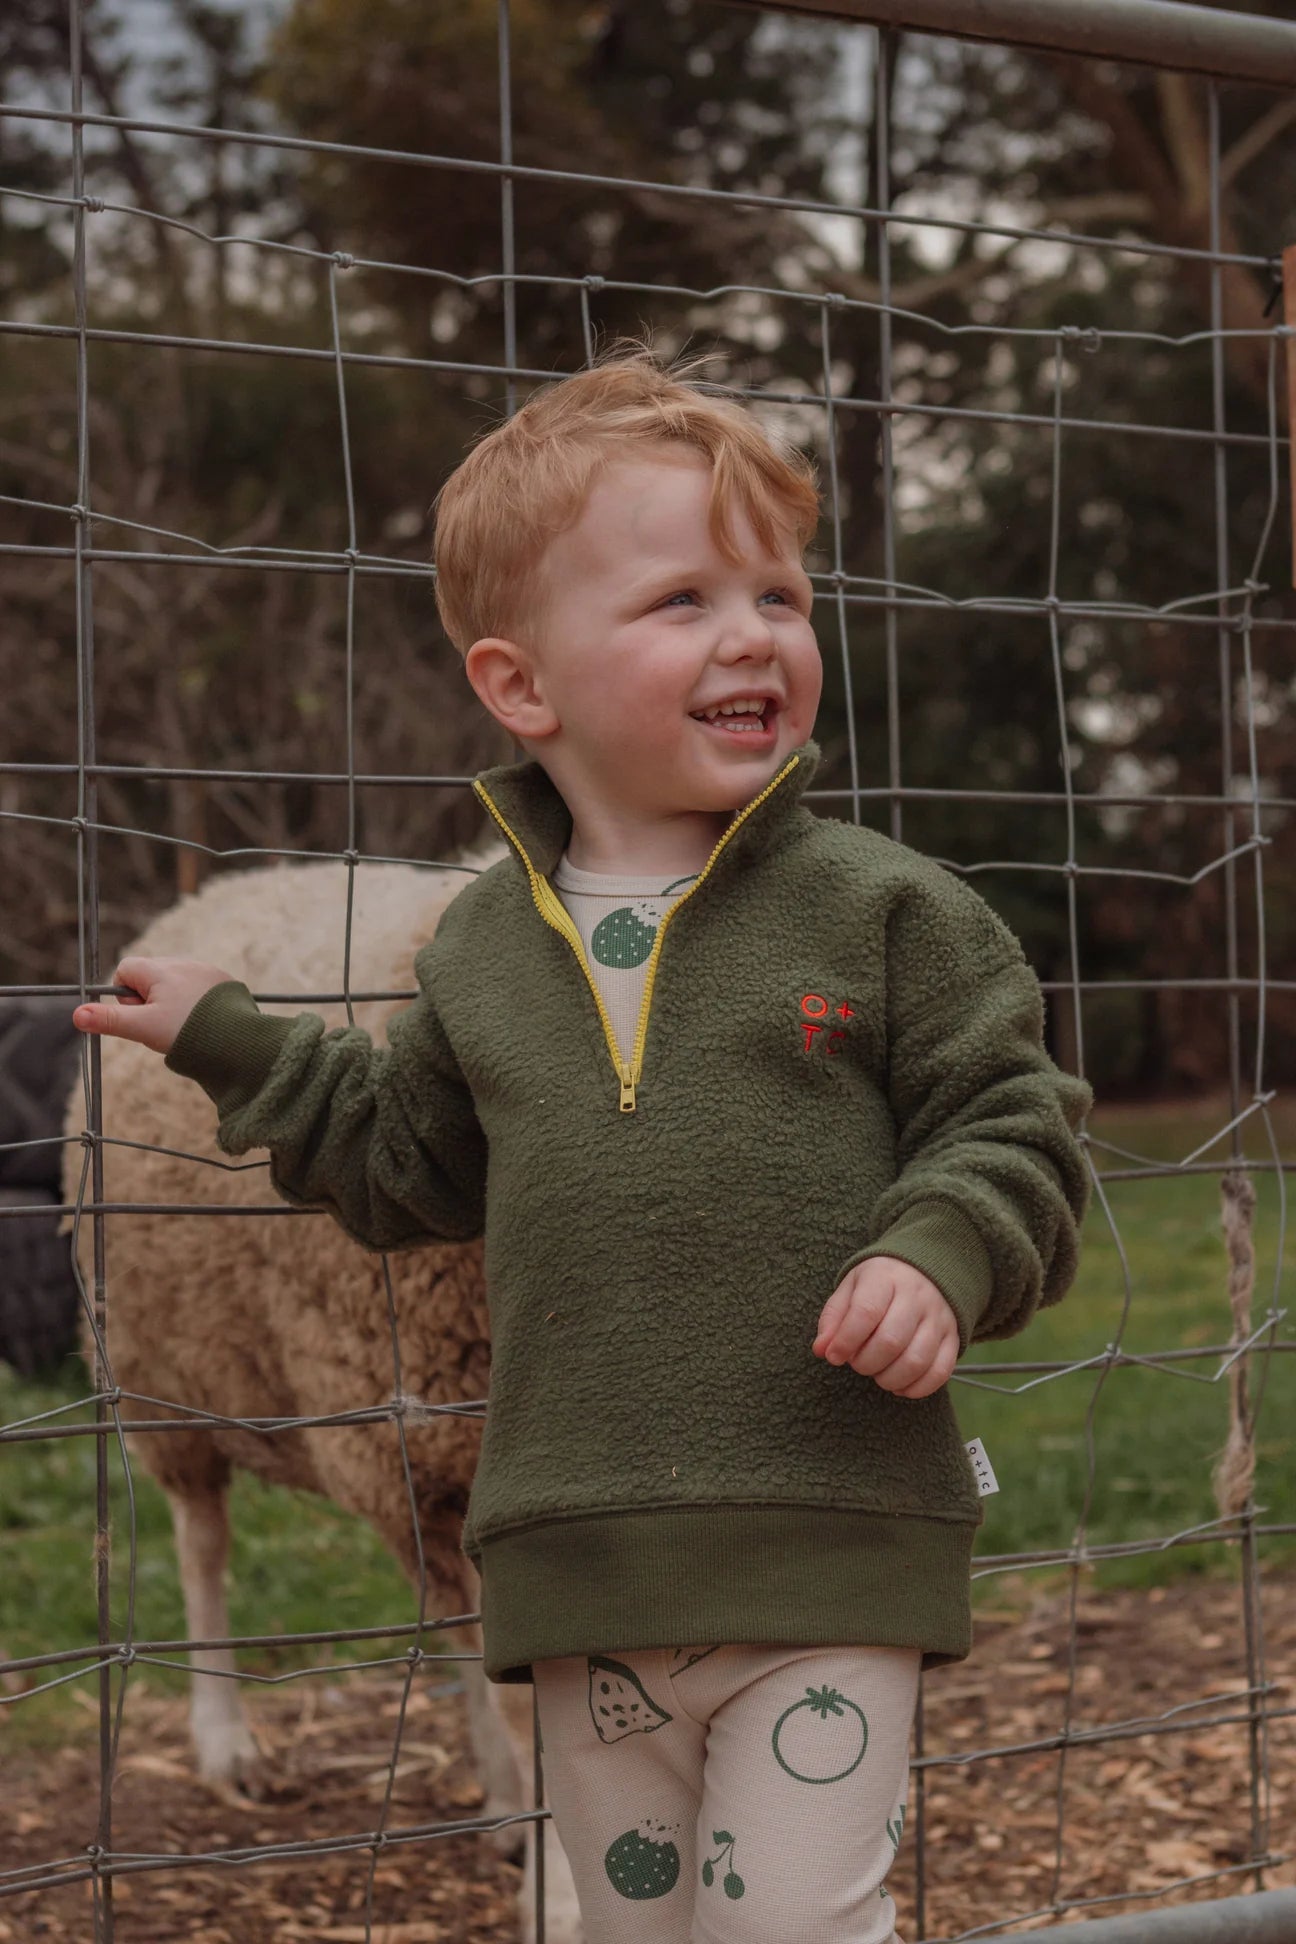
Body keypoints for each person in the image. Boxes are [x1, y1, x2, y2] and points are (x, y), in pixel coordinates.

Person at [73, 338, 1092, 1942]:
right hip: (581, 1579)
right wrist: (232, 1040)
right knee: (611, 1927)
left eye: (779, 595)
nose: (752, 632)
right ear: (520, 684)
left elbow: (1015, 1121)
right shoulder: (478, 954)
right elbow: (400, 1163)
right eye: (682, 600)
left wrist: (938, 1251)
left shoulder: (893, 913)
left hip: (826, 1558)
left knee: (792, 1929)